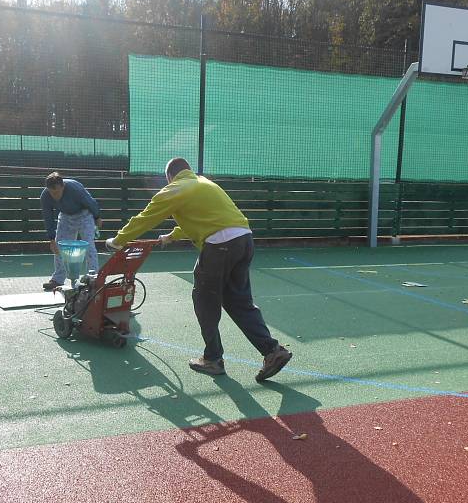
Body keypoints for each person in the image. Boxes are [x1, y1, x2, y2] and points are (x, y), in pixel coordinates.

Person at [105, 158, 292, 382]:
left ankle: (213, 358)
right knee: (239, 302)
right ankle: (272, 350)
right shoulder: (204, 184)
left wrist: (118, 240)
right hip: (244, 240)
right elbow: (207, 220)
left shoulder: (175, 188)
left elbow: (147, 217)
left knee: (204, 300)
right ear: (188, 170)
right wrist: (171, 237)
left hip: (220, 245)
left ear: (169, 177)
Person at [40, 172, 101, 290]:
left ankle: (93, 277)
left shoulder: (74, 188)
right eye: (52, 192)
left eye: (57, 192)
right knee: (59, 246)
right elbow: (48, 217)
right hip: (65, 217)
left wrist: (97, 217)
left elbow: (90, 202)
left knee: (88, 245)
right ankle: (58, 279)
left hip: (84, 215)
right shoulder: (45, 196)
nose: (55, 196)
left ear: (63, 186)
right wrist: (51, 239)